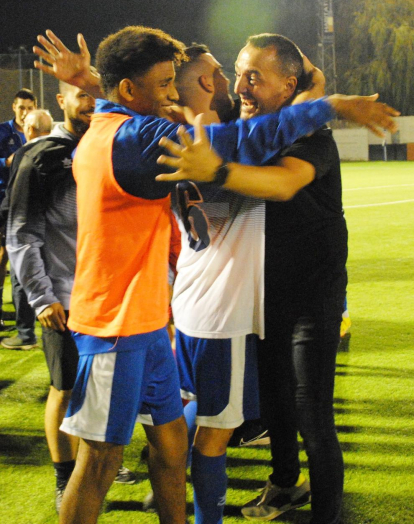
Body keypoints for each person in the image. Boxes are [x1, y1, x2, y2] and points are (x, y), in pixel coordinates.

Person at [33, 27, 398, 524]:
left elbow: (134, 95)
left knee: (172, 444)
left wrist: (91, 79)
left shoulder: (131, 123)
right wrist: (326, 102)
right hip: (124, 323)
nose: (230, 82)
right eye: (171, 82)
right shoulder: (148, 136)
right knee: (107, 458)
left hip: (159, 316)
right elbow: (250, 147)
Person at [156, 33, 399, 524]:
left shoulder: (310, 136)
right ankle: (286, 484)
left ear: (287, 86)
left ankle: (326, 513)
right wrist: (318, 89)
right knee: (273, 401)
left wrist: (218, 171)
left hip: (313, 293)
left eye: (254, 77)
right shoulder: (245, 127)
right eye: (239, 73)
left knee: (312, 410)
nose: (242, 86)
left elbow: (284, 183)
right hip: (263, 294)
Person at [6, 83, 95, 513]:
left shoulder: (106, 145)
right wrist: (41, 298)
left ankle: (96, 460)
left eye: (97, 93)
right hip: (62, 296)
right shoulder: (43, 155)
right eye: (81, 95)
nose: (91, 103)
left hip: (104, 299)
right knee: (65, 388)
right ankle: (65, 476)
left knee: (100, 390)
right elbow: (22, 233)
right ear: (61, 101)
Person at [1, 109, 53, 350]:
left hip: (27, 226)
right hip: (54, 229)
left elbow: (15, 193)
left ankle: (25, 333)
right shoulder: (62, 149)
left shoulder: (26, 152)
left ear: (30, 130)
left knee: (22, 277)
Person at [0, 89, 37, 328]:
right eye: (21, 108)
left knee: (26, 258)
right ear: (14, 107)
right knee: (2, 257)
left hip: (28, 203)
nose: (24, 113)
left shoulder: (39, 130)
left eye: (29, 108)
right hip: (3, 199)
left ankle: (26, 317)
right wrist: (7, 161)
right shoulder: (3, 131)